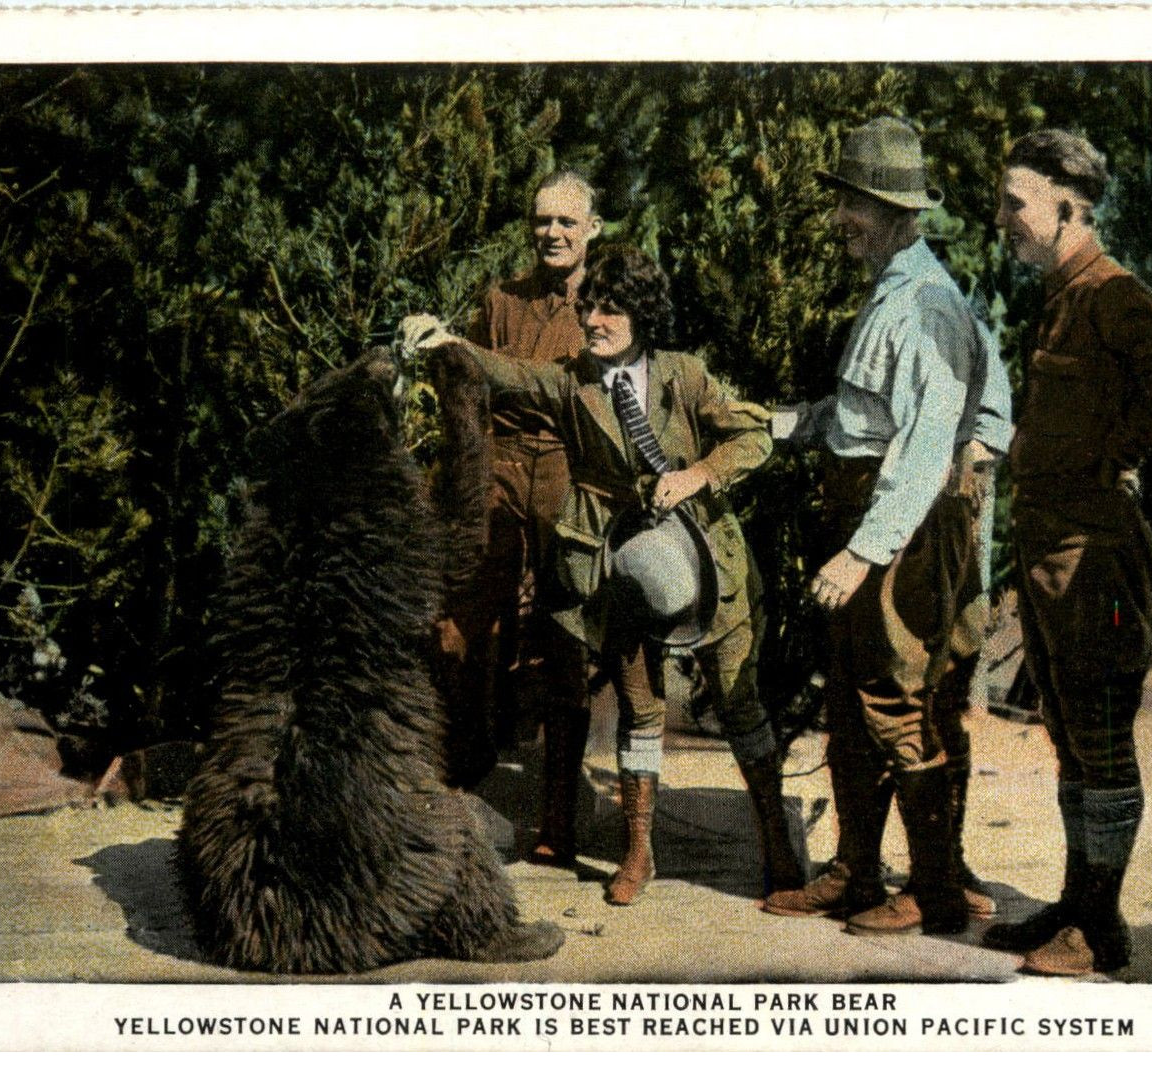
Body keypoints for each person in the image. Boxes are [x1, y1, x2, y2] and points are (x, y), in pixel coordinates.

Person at [406, 245, 803, 907]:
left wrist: (697, 474)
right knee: (638, 711)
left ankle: (777, 845)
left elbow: (752, 435)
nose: (593, 319)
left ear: (640, 313)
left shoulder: (682, 375)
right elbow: (508, 373)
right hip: (618, 565)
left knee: (739, 705)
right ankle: (637, 851)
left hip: (707, 564)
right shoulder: (569, 381)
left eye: (610, 308)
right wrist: (449, 343)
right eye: (588, 306)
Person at [760, 116, 1013, 937]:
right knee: (849, 700)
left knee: (902, 700)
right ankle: (855, 871)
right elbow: (866, 415)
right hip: (869, 509)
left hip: (896, 524)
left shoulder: (929, 306)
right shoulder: (894, 292)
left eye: (856, 205)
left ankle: (935, 888)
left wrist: (863, 553)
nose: (840, 218)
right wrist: (781, 425)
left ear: (902, 214)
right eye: (841, 200)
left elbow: (924, 448)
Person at [981, 129, 1152, 974]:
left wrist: (1116, 456)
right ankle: (1075, 906)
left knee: (1101, 735)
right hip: (1051, 549)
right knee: (1068, 733)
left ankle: (1099, 928)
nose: (1002, 219)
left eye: (1015, 203)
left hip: (1094, 553)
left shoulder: (1112, 293)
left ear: (1066, 208)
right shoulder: (1063, 294)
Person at [435, 172, 598, 864]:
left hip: (567, 468)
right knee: (462, 624)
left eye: (566, 222)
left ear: (592, 228)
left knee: (566, 637)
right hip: (499, 467)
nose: (552, 234)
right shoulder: (501, 301)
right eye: (541, 221)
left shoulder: (604, 304)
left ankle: (557, 816)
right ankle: (448, 784)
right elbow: (466, 389)